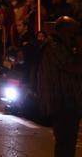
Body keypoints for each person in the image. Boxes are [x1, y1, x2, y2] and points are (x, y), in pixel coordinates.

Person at [35, 17, 82, 157]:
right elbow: (73, 67)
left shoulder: (60, 46)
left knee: (69, 143)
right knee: (65, 143)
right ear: (64, 32)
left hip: (67, 101)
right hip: (61, 102)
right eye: (72, 34)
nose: (74, 37)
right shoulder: (53, 46)